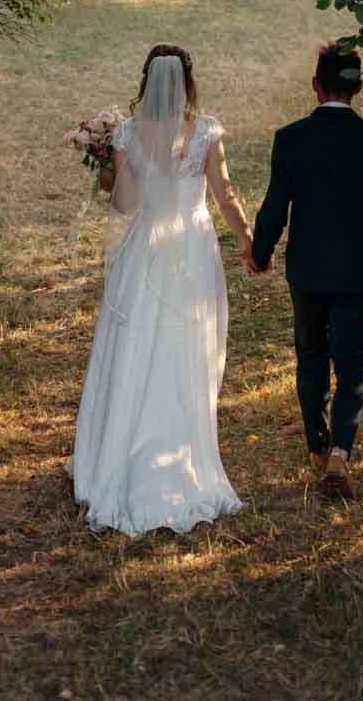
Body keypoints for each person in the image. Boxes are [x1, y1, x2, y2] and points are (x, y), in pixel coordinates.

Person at [66, 43, 254, 534]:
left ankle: (119, 459)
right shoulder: (207, 130)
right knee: (188, 347)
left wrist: (109, 165)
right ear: (188, 81)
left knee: (134, 347)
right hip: (191, 248)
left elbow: (126, 205)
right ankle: (181, 459)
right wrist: (249, 240)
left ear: (147, 81)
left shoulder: (129, 132)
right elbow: (224, 196)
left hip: (146, 248)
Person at [247, 43, 363, 500]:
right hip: (357, 270)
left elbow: (275, 205)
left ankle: (318, 448)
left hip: (308, 269)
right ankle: (341, 450)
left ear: (316, 85)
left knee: (312, 356)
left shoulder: (291, 138)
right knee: (353, 362)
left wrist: (260, 253)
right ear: (359, 86)